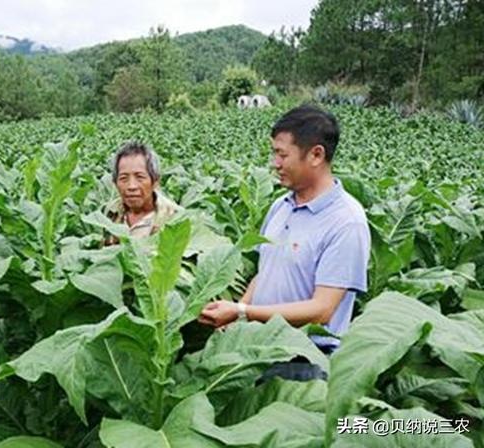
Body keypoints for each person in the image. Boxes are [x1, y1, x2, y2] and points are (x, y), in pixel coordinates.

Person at [199, 105, 370, 380]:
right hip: (259, 351)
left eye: (282, 154)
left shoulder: (346, 221)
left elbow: (321, 310)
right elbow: (265, 273)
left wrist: (242, 312)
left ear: (316, 155)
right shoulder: (281, 206)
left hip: (303, 362)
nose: (274, 163)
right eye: (273, 153)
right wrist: (234, 322)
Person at [103, 141, 180, 243]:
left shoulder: (175, 217)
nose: (131, 186)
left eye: (140, 177)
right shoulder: (109, 213)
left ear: (155, 181)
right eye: (123, 178)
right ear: (115, 183)